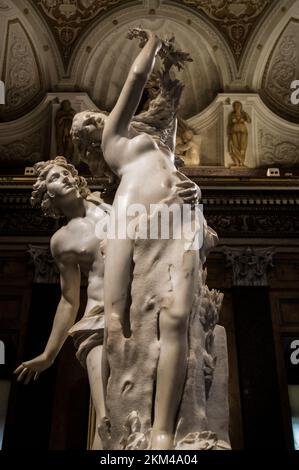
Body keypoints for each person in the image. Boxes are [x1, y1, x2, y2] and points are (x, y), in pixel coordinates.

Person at [72, 29, 201, 450]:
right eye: (86, 125)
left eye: (92, 116)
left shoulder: (156, 141)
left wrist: (195, 193)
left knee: (179, 317)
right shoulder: (115, 142)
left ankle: (163, 429)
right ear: (90, 141)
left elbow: (176, 151)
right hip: (133, 218)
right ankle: (112, 427)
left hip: (179, 218)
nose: (94, 121)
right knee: (117, 318)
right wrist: (152, 45)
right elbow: (132, 80)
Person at [14, 156, 110, 449]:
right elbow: (69, 300)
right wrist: (48, 355)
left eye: (67, 173)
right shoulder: (62, 240)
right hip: (98, 320)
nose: (66, 178)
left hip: (136, 307)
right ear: (48, 196)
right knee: (107, 415)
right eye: (56, 178)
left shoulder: (108, 204)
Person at [227, 100, 251, 167]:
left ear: (241, 106)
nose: (237, 107)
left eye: (239, 105)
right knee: (235, 146)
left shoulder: (243, 114)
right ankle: (237, 162)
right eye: (235, 106)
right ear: (234, 107)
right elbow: (229, 124)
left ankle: (241, 162)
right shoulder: (232, 114)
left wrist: (245, 116)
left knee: (242, 147)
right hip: (234, 131)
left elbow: (249, 121)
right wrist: (228, 133)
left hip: (243, 131)